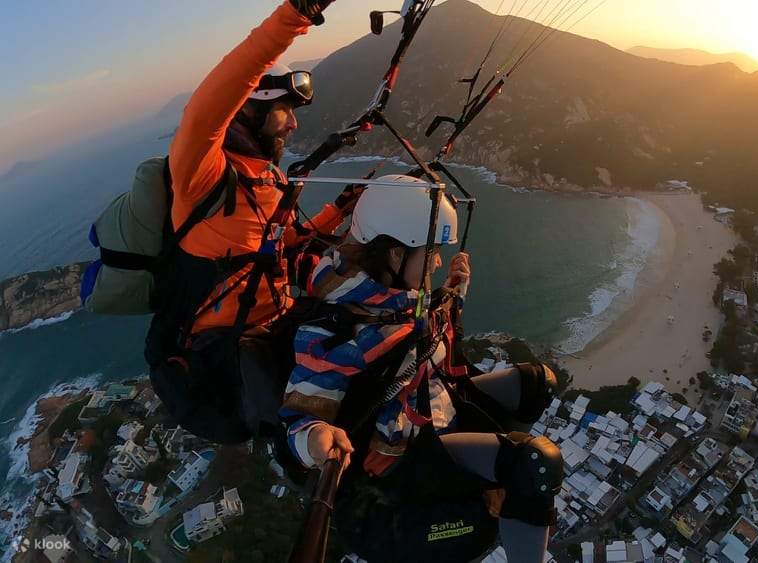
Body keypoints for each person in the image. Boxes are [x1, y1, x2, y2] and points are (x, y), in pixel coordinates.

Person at [280, 176, 564, 562]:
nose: (437, 261)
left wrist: (454, 294)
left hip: (433, 406)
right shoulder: (335, 330)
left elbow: (425, 333)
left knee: (536, 382)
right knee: (534, 464)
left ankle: (500, 486)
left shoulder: (390, 297)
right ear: (395, 255)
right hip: (405, 459)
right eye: (430, 252)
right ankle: (507, 484)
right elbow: (299, 421)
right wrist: (316, 439)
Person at [147, 0, 354, 444]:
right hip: (229, 352)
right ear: (251, 109)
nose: (294, 124)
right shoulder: (201, 174)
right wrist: (294, 15)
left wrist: (341, 208)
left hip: (274, 326)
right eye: (284, 111)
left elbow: (279, 243)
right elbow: (208, 106)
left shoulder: (265, 177)